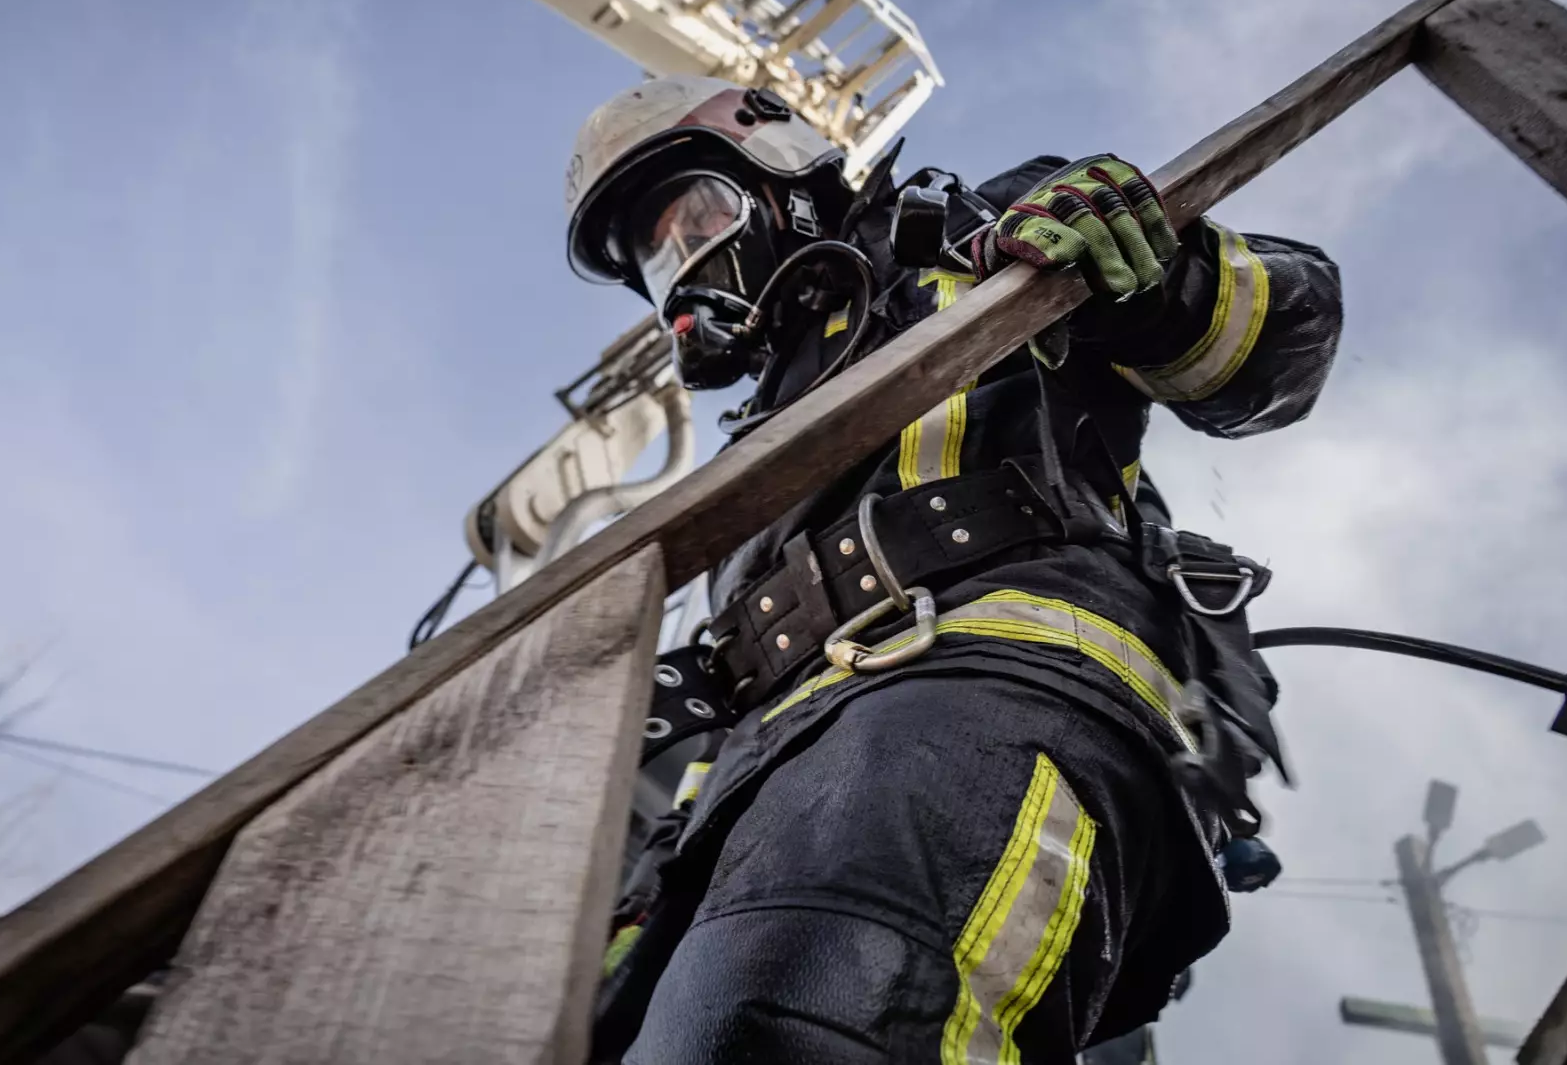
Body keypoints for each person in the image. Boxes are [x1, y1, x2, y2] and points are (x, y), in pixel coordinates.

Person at [565, 74, 1343, 1064]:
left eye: (696, 218)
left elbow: (1283, 335)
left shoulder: (972, 236)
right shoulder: (760, 435)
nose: (688, 267)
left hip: (984, 676)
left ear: (780, 165)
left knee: (786, 1026)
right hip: (755, 782)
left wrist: (1157, 276)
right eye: (657, 254)